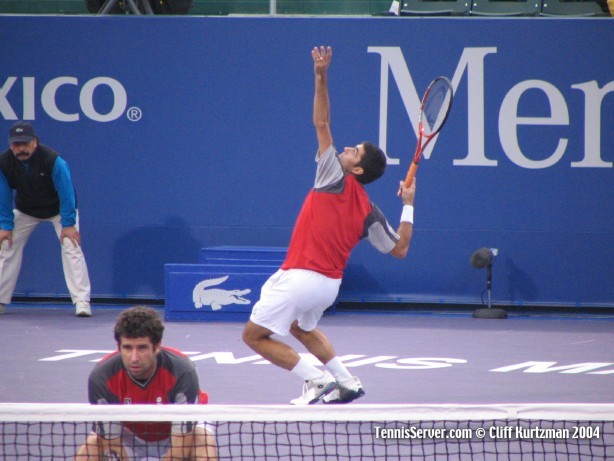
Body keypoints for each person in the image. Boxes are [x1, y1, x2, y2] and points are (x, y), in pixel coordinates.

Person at [242, 46, 416, 405]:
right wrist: (409, 206)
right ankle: (346, 380)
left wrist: (320, 76)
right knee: (298, 328)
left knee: (254, 336)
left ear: (355, 170)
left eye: (354, 151)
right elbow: (400, 249)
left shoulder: (332, 174)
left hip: (301, 277)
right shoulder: (371, 211)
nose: (347, 147)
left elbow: (321, 123)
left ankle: (315, 379)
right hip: (328, 286)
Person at [75, 305, 218, 460]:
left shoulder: (182, 372)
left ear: (157, 347)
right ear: (119, 347)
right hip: (129, 433)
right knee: (90, 448)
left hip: (177, 436)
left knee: (203, 442)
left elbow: (180, 450)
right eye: (127, 348)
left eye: (142, 348)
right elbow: (112, 445)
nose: (134, 357)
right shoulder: (102, 377)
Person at [0, 121, 92, 317]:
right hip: (26, 210)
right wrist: (5, 226)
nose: (21, 149)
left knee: (71, 246)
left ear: (35, 142)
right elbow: (3, 195)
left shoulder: (53, 160)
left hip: (60, 209)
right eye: (17, 145)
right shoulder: (4, 162)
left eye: (25, 143)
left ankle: (82, 302)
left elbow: (67, 192)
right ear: (10, 145)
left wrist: (68, 224)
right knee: (6, 244)